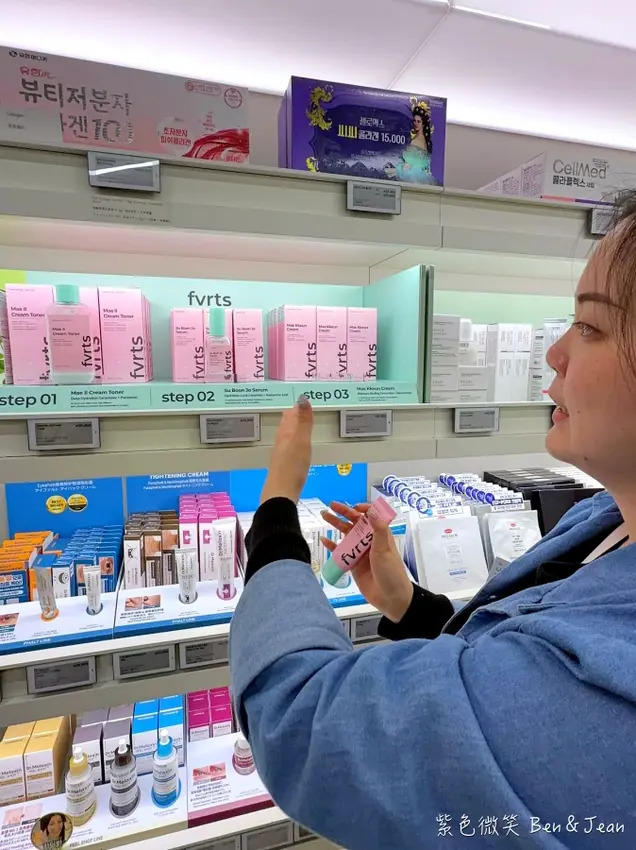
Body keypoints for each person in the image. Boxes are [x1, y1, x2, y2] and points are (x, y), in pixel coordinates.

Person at [229, 195, 636, 848]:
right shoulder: (603, 518)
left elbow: (301, 719)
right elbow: (495, 673)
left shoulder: (606, 686)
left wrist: (276, 509)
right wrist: (409, 605)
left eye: (589, 327)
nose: (555, 353)